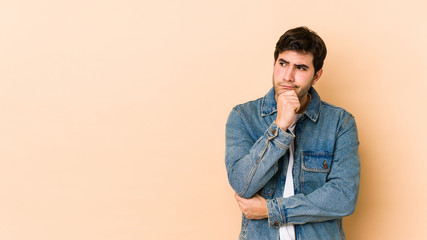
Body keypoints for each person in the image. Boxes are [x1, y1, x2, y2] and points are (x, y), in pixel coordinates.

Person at [225, 26, 360, 240]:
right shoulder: (243, 117)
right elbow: (243, 184)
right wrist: (279, 127)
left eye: (301, 68)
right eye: (283, 63)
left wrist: (272, 210)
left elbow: (343, 197)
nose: (288, 76)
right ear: (274, 64)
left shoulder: (340, 123)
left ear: (316, 76)